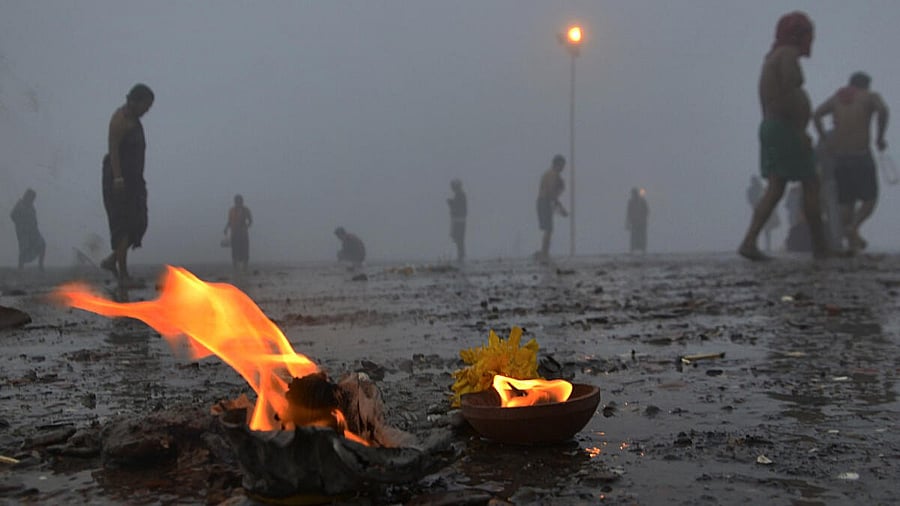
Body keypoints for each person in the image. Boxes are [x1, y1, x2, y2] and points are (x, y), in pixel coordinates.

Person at [738, 12, 827, 261]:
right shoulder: (787, 54)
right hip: (785, 127)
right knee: (811, 182)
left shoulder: (772, 58)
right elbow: (788, 89)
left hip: (772, 126)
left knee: (776, 187)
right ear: (798, 35)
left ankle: (749, 241)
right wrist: (799, 131)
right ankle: (821, 247)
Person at [812, 72, 889, 253]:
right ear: (866, 85)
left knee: (847, 201)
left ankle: (853, 242)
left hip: (840, 157)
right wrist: (880, 137)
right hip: (861, 154)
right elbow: (883, 110)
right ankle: (853, 227)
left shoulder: (837, 99)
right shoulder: (870, 97)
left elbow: (816, 115)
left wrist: (824, 139)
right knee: (870, 199)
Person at [100, 84, 154, 285]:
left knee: (139, 223)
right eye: (146, 106)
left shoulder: (135, 120)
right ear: (135, 101)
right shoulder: (120, 120)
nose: (147, 111)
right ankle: (123, 275)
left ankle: (111, 260)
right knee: (123, 225)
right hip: (119, 180)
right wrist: (118, 178)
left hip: (135, 179)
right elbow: (113, 150)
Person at [535, 154, 568, 261]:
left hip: (544, 201)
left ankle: (544, 252)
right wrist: (560, 207)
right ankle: (544, 253)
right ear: (557, 164)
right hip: (544, 201)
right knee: (549, 228)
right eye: (562, 165)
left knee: (548, 228)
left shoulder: (552, 175)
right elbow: (551, 193)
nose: (563, 168)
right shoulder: (552, 175)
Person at [9, 188, 45, 270]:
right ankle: (20, 267)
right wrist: (21, 224)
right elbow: (13, 216)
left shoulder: (31, 206)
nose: (32, 200)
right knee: (24, 249)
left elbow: (34, 218)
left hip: (33, 232)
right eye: (31, 197)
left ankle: (40, 266)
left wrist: (34, 227)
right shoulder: (20, 205)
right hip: (23, 232)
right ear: (27, 196)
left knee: (42, 244)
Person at [746, 175, 780, 251]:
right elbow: (751, 200)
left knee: (765, 229)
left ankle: (764, 245)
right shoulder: (752, 190)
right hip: (758, 210)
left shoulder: (760, 189)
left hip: (763, 211)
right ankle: (754, 244)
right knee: (760, 228)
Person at [224, 194, 253, 272]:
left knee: (244, 250)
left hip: (243, 234)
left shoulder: (245, 210)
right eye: (236, 200)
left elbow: (250, 221)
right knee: (235, 250)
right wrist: (226, 228)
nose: (238, 202)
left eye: (239, 200)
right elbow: (230, 221)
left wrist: (246, 227)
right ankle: (235, 267)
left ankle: (245, 267)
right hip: (234, 234)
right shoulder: (232, 210)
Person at [447, 179, 467, 263]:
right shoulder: (460, 195)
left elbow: (458, 207)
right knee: (458, 238)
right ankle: (461, 255)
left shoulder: (460, 195)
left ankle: (461, 255)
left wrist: (451, 203)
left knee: (458, 238)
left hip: (459, 220)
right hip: (459, 219)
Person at [625, 187, 649, 253]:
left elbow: (646, 211)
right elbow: (628, 213)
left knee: (641, 236)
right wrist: (627, 223)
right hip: (634, 222)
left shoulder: (642, 201)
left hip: (641, 223)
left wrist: (643, 218)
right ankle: (633, 249)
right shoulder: (631, 202)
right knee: (634, 236)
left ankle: (643, 249)